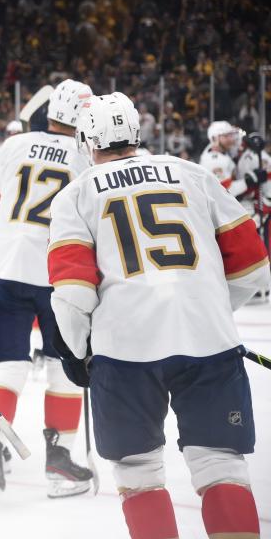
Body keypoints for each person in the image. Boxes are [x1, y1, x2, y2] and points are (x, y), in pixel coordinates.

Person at [48, 92, 268, 539]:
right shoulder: (195, 174)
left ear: (88, 139)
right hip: (209, 346)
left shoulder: (77, 193)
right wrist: (204, 311)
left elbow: (72, 293)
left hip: (125, 351)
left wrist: (76, 351)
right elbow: (253, 264)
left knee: (138, 471)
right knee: (220, 463)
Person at [0, 78, 94, 501]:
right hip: (59, 275)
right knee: (65, 369)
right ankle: (59, 462)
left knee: (5, 366)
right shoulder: (85, 159)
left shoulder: (13, 145)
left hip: (5, 270)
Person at [200, 120, 246, 197]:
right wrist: (249, 180)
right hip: (219, 205)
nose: (230, 139)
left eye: (230, 135)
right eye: (225, 136)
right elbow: (225, 190)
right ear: (214, 139)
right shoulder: (214, 161)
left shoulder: (217, 150)